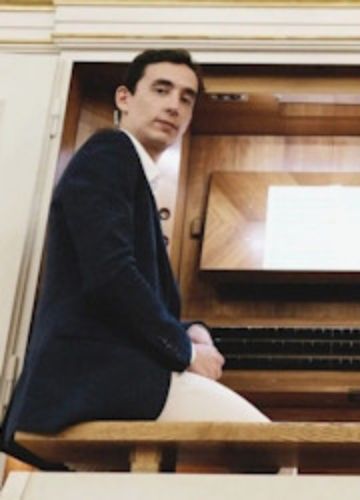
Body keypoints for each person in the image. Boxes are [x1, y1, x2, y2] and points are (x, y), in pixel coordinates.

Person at [0, 49, 269, 469]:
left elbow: (125, 289)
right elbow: (110, 276)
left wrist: (191, 329)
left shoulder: (132, 172)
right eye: (161, 90)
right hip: (91, 377)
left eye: (186, 98)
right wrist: (184, 349)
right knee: (274, 454)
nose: (174, 105)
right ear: (124, 98)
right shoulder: (110, 152)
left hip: (108, 374)